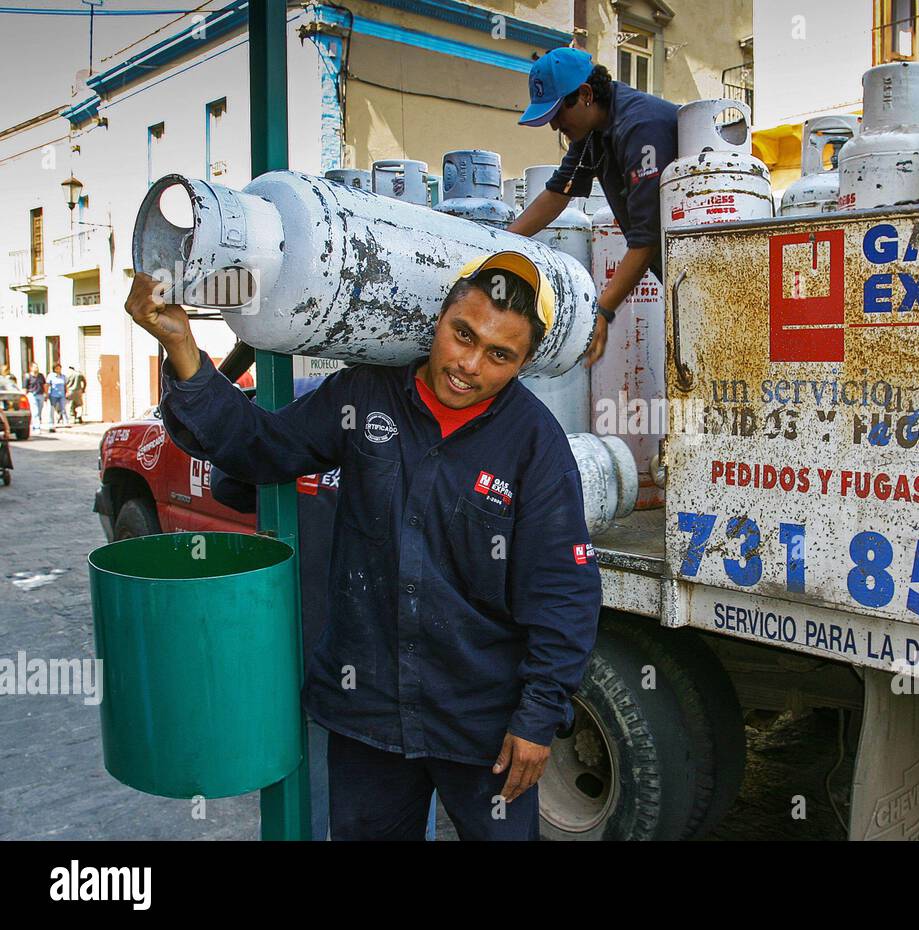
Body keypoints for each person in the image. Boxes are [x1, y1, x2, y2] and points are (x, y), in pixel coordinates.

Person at [124, 252, 602, 841]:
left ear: (522, 363)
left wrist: (537, 717)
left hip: (480, 722)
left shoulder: (535, 445)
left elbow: (563, 591)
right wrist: (183, 349)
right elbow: (259, 446)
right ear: (442, 318)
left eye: (499, 355)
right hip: (367, 710)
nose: (469, 366)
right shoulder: (365, 396)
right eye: (463, 335)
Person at [508, 46, 679, 366]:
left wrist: (602, 309)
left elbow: (648, 236)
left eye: (558, 113)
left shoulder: (640, 126)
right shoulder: (591, 134)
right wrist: (503, 242)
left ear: (585, 94)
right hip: (672, 272)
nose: (554, 126)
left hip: (703, 265)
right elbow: (559, 192)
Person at [23, 364, 45, 434]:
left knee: (39, 411)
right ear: (31, 368)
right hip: (32, 395)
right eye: (35, 367)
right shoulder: (27, 376)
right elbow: (25, 388)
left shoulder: (41, 376)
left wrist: (46, 393)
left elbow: (44, 385)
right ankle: (37, 427)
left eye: (37, 367)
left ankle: (34, 424)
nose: (36, 368)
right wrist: (25, 396)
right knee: (35, 411)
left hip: (40, 394)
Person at [47, 363, 67, 429]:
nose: (59, 370)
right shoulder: (51, 376)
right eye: (57, 368)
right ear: (54, 369)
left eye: (60, 368)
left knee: (63, 408)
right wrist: (47, 393)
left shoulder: (63, 376)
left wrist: (67, 392)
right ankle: (51, 423)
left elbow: (65, 385)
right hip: (53, 394)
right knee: (52, 409)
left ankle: (65, 421)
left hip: (62, 394)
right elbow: (48, 385)